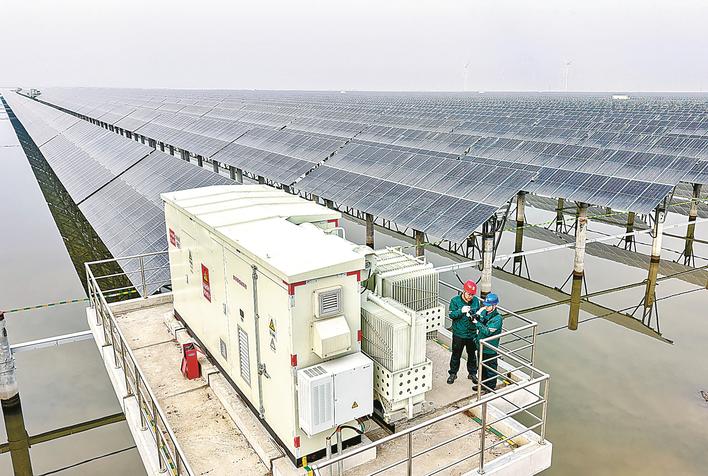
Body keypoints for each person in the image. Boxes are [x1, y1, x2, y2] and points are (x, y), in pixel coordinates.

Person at [447, 280, 481, 385]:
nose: (471, 296)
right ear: (464, 291)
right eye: (469, 294)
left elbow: (478, 314)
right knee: (456, 354)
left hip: (471, 333)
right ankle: (453, 373)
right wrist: (461, 311)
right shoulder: (455, 301)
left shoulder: (476, 301)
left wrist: (475, 316)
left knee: (472, 355)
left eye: (472, 295)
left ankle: (472, 373)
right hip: (459, 333)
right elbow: (451, 315)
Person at [474, 293, 503, 392]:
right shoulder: (485, 312)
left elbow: (487, 331)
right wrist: (476, 317)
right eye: (485, 305)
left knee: (490, 369)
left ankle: (490, 388)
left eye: (488, 305)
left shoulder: (497, 319)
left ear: (494, 306)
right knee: (481, 367)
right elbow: (482, 320)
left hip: (490, 349)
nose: (486, 307)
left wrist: (476, 323)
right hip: (481, 346)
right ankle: (482, 384)